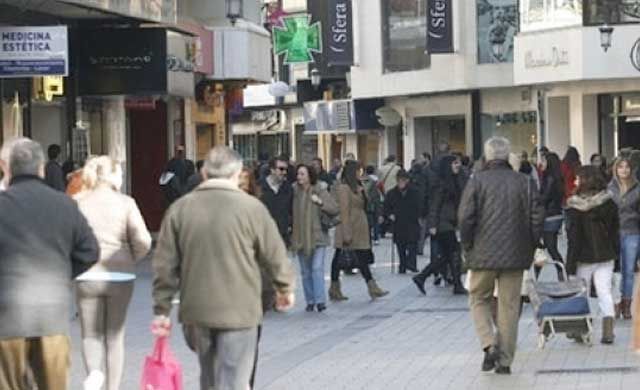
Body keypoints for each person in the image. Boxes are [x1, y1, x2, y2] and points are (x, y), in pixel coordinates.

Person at [151, 146, 296, 390]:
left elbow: (165, 264)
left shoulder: (180, 209)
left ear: (205, 173)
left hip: (197, 311)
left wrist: (161, 309)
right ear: (237, 173)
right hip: (241, 310)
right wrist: (285, 288)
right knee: (237, 379)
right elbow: (275, 255)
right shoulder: (252, 208)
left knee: (210, 376)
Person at [0, 138, 100, 389]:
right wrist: (62, 274)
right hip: (52, 318)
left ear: (7, 169)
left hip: (6, 319)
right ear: (42, 168)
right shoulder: (65, 205)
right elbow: (90, 251)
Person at [459, 137, 544, 375]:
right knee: (509, 306)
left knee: (478, 298)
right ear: (507, 157)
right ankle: (505, 361)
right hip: (516, 254)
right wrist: (531, 245)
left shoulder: (477, 181)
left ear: (487, 157)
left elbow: (465, 217)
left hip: (482, 254)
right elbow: (537, 218)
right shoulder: (525, 182)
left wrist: (467, 246)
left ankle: (488, 344)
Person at [74, 156, 152, 390]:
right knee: (114, 336)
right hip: (120, 273)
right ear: (112, 176)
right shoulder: (126, 203)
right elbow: (144, 240)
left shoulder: (78, 202)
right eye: (119, 172)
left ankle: (94, 376)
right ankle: (113, 387)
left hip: (86, 274)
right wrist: (130, 258)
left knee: (90, 334)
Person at [566, 166, 619, 344]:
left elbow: (573, 237)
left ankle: (581, 330)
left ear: (585, 180)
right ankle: (608, 333)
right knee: (605, 291)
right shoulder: (609, 203)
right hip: (606, 254)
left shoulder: (575, 206)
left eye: (578, 178)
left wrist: (570, 263)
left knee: (582, 292)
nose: (575, 182)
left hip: (583, 256)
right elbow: (615, 232)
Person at [329, 160, 389, 301]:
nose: (360, 173)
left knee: (361, 256)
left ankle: (371, 286)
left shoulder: (357, 186)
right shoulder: (344, 188)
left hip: (359, 225)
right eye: (358, 171)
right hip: (349, 224)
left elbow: (366, 204)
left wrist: (362, 191)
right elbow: (344, 210)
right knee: (339, 258)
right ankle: (335, 287)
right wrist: (346, 231)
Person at [414, 155, 468, 295]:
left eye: (459, 163)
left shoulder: (455, 180)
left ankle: (422, 277)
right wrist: (432, 224)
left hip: (449, 222)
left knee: (446, 256)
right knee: (453, 253)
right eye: (455, 163)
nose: (458, 165)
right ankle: (457, 284)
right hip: (442, 223)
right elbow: (435, 205)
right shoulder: (442, 183)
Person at [292, 164, 339, 312]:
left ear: (309, 176)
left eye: (302, 174)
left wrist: (319, 202)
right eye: (298, 174)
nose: (299, 177)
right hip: (300, 237)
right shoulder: (294, 191)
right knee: (305, 271)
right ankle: (310, 300)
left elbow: (334, 208)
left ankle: (320, 301)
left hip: (318, 236)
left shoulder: (320, 189)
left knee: (317, 268)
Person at [608, 157, 639, 320]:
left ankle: (627, 306)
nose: (624, 170)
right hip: (614, 234)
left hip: (633, 233)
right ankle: (616, 304)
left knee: (628, 271)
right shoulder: (610, 188)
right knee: (614, 271)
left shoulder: (637, 188)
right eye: (621, 167)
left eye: (627, 167)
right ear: (616, 169)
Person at [384, 169, 421, 274]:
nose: (401, 183)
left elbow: (419, 206)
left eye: (403, 180)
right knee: (401, 245)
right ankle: (403, 265)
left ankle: (412, 264)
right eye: (399, 180)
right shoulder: (391, 193)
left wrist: (418, 215)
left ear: (407, 181)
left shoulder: (415, 192)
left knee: (413, 244)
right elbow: (386, 208)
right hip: (398, 223)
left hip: (411, 221)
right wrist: (389, 215)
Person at [538, 152, 565, 277]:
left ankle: (560, 272)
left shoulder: (549, 178)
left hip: (548, 216)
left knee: (545, 248)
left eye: (543, 161)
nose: (540, 164)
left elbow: (544, 198)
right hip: (556, 215)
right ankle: (561, 272)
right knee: (549, 247)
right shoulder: (558, 177)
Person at [260, 155, 293, 246]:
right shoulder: (259, 188)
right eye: (281, 169)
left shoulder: (288, 189)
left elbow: (291, 211)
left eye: (286, 169)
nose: (284, 172)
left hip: (282, 239)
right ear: (272, 170)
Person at [362, 165, 382, 245]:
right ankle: (376, 238)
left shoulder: (362, 180)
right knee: (375, 221)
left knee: (367, 223)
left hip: (365, 204)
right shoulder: (376, 180)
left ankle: (368, 238)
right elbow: (379, 193)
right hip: (374, 204)